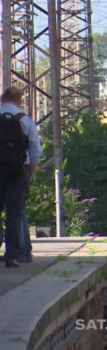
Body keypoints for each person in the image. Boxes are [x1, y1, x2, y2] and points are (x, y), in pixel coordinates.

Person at [0, 86, 41, 268]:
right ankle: (12, 255)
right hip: (18, 173)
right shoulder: (26, 121)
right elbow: (34, 153)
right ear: (20, 102)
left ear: (2, 100)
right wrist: (29, 176)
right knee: (15, 214)